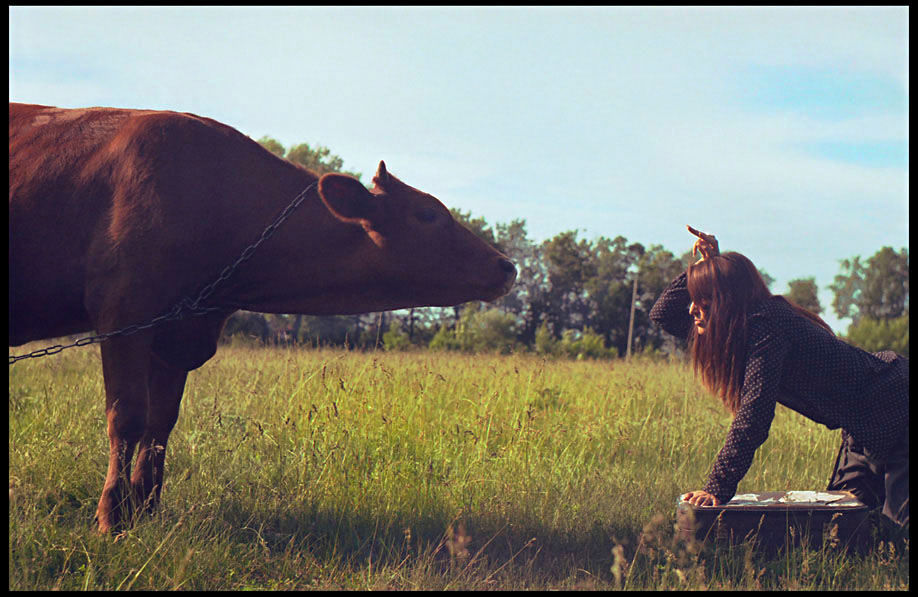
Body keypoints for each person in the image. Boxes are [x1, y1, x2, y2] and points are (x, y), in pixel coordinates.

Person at [650, 226, 909, 527]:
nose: (693, 309)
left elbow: (754, 417)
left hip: (896, 401)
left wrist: (716, 488)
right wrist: (704, 266)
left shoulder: (768, 326)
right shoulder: (736, 330)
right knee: (842, 527)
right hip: (863, 425)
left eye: (702, 299)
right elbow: (663, 314)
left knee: (897, 533)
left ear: (726, 301)